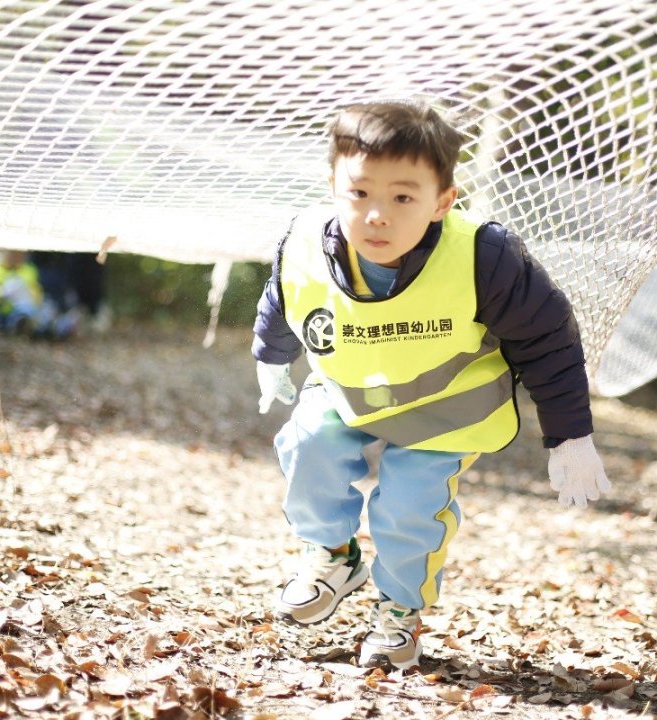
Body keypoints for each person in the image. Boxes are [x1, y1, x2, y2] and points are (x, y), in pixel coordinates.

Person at [251, 100, 610, 671]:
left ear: (442, 201)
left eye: (402, 198)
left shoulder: (485, 257)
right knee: (308, 444)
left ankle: (399, 610)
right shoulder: (304, 240)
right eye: (359, 192)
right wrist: (271, 357)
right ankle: (335, 555)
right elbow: (283, 295)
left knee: (409, 508)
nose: (376, 215)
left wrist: (569, 435)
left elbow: (548, 340)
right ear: (333, 187)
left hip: (448, 411)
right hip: (351, 391)